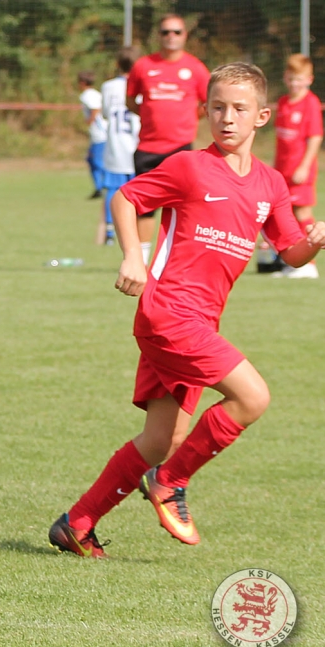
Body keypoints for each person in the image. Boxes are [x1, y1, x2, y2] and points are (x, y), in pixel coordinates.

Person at [49, 63, 325, 558]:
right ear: (205, 111)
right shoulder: (189, 167)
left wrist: (315, 241)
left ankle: (78, 523)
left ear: (261, 116)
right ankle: (170, 482)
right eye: (217, 107)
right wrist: (132, 256)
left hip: (199, 321)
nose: (227, 118)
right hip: (168, 313)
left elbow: (290, 252)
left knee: (161, 439)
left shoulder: (270, 184)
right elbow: (126, 198)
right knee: (253, 397)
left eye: (239, 109)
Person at [126, 14, 210, 264]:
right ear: (158, 36)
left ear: (185, 35)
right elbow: (130, 100)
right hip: (148, 147)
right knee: (144, 207)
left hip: (180, 148)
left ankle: (177, 259)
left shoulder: (195, 68)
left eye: (176, 32)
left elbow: (208, 103)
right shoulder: (143, 66)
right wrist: (150, 116)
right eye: (165, 32)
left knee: (183, 207)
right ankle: (140, 261)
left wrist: (188, 118)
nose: (171, 37)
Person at [272, 54, 323, 279]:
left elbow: (315, 137)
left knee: (302, 212)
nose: (295, 83)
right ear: (285, 77)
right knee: (286, 215)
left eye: (300, 79)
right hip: (283, 170)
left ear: (309, 79)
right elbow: (281, 140)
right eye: (292, 79)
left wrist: (304, 166)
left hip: (300, 172)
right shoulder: (283, 102)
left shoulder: (310, 103)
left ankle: (309, 264)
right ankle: (291, 261)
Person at [97, 47, 141, 245]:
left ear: (117, 64)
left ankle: (109, 231)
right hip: (138, 144)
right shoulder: (142, 84)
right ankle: (135, 231)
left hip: (115, 145)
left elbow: (106, 114)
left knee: (114, 189)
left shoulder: (108, 86)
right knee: (138, 190)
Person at [78, 71, 108, 200]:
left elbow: (95, 108)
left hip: (100, 134)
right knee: (91, 160)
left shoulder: (87, 95)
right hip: (98, 133)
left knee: (97, 160)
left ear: (82, 83)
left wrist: (90, 120)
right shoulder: (95, 93)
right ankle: (99, 187)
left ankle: (108, 182)